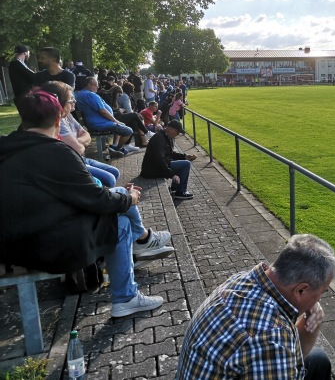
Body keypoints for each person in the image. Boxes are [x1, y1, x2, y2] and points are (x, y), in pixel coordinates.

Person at [0, 91, 171, 317]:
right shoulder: (56, 152)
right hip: (35, 249)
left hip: (11, 241)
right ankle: (126, 295)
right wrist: (129, 199)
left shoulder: (7, 145)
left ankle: (141, 241)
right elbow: (97, 200)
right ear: (59, 119)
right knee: (119, 222)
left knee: (116, 201)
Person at [175, 234, 335, 380]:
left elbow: (295, 355)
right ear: (301, 290)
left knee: (317, 360)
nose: (319, 300)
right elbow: (278, 347)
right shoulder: (270, 337)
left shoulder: (242, 279)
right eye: (322, 292)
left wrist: (313, 321)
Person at [75, 76, 136, 157]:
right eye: (96, 85)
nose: (98, 87)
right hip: (100, 124)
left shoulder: (82, 94)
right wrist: (115, 121)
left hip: (96, 122)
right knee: (128, 131)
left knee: (121, 124)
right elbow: (103, 111)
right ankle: (116, 149)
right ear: (89, 85)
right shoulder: (90, 95)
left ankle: (114, 147)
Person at [140, 120, 195, 200]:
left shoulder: (165, 136)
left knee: (184, 162)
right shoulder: (159, 138)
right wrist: (171, 175)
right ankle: (180, 192)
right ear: (171, 129)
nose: (178, 135)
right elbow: (159, 160)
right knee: (186, 164)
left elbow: (170, 153)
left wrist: (185, 156)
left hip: (154, 166)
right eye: (177, 132)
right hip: (151, 170)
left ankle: (174, 188)